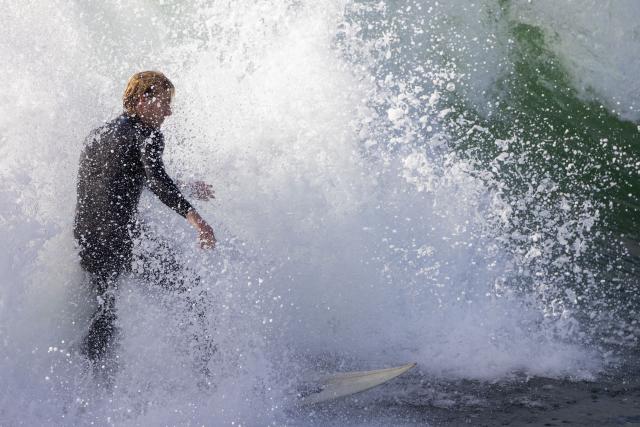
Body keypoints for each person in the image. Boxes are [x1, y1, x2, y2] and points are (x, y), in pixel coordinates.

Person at [74, 71, 216, 368]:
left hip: (87, 242)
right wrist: (197, 221)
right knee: (188, 288)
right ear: (142, 100)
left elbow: (130, 177)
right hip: (123, 240)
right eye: (164, 103)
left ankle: (86, 387)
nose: (168, 111)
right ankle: (208, 372)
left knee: (104, 314)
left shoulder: (98, 135)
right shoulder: (147, 134)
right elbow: (158, 181)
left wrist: (186, 186)